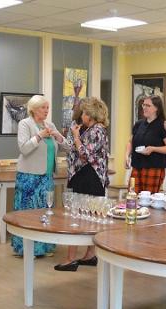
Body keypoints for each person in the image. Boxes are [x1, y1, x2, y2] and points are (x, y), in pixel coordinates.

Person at [55, 97, 110, 272]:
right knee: (84, 215)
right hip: (82, 175)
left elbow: (85, 154)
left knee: (79, 216)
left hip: (89, 177)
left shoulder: (98, 130)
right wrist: (62, 137)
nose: (82, 115)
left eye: (85, 112)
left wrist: (77, 137)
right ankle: (89, 255)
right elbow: (73, 148)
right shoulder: (89, 129)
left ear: (91, 114)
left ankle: (72, 258)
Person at [12, 95, 69, 257]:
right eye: (43, 107)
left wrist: (59, 137)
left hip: (46, 177)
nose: (46, 110)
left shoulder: (49, 125)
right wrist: (39, 136)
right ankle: (25, 249)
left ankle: (43, 247)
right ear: (34, 109)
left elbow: (67, 146)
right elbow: (23, 148)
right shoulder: (25, 124)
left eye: (47, 108)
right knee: (29, 213)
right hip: (29, 176)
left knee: (45, 212)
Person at [125, 95, 166, 193]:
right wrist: (126, 156)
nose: (144, 107)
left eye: (148, 105)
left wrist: (153, 149)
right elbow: (130, 142)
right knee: (132, 196)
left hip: (154, 167)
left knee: (148, 200)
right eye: (143, 105)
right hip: (136, 166)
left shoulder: (163, 125)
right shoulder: (138, 124)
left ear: (156, 108)